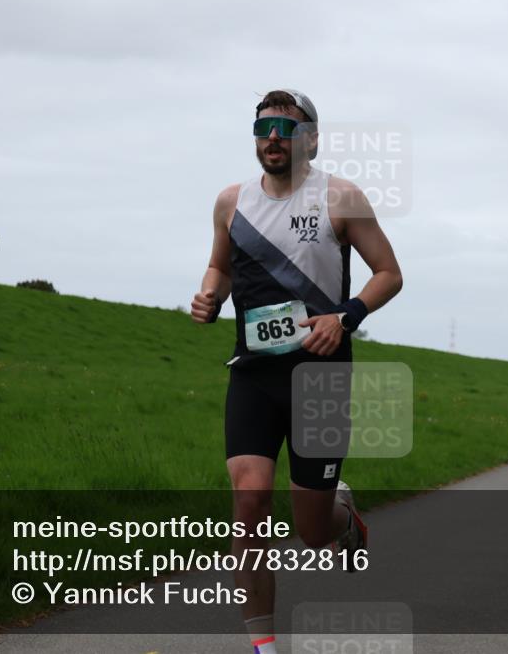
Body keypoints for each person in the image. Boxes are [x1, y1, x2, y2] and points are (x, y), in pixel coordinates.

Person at [191, 89, 403, 654]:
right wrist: (210, 295)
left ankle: (344, 517)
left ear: (310, 137)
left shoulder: (340, 197)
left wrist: (347, 317)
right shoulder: (231, 203)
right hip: (254, 373)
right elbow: (219, 265)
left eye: (285, 129)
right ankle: (264, 646)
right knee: (249, 499)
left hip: (322, 375)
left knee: (312, 530)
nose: (272, 139)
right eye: (262, 128)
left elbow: (388, 273)